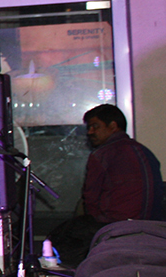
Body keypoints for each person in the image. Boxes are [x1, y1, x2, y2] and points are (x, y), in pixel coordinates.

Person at [44, 104, 164, 267]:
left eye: (95, 126)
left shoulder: (103, 155)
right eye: (89, 128)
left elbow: (91, 201)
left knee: (63, 236)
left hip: (117, 227)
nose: (90, 132)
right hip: (153, 228)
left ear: (113, 126)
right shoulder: (145, 152)